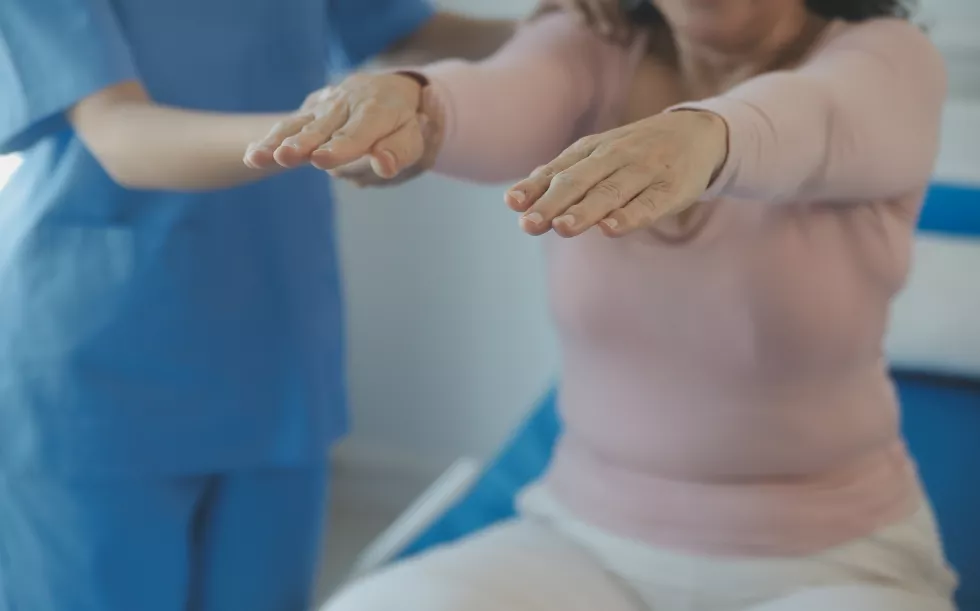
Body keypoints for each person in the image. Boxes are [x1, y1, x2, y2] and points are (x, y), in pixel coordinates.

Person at [250, 0, 959, 609]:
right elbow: (491, 96)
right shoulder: (594, 47)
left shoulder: (889, 61)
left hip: (835, 557)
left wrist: (699, 137)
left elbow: (819, 118)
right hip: (584, 540)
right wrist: (409, 104)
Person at [0, 1, 618, 610]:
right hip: (98, 358)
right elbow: (120, 134)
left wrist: (583, 31)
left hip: (276, 337)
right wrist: (328, 131)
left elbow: (405, 33)